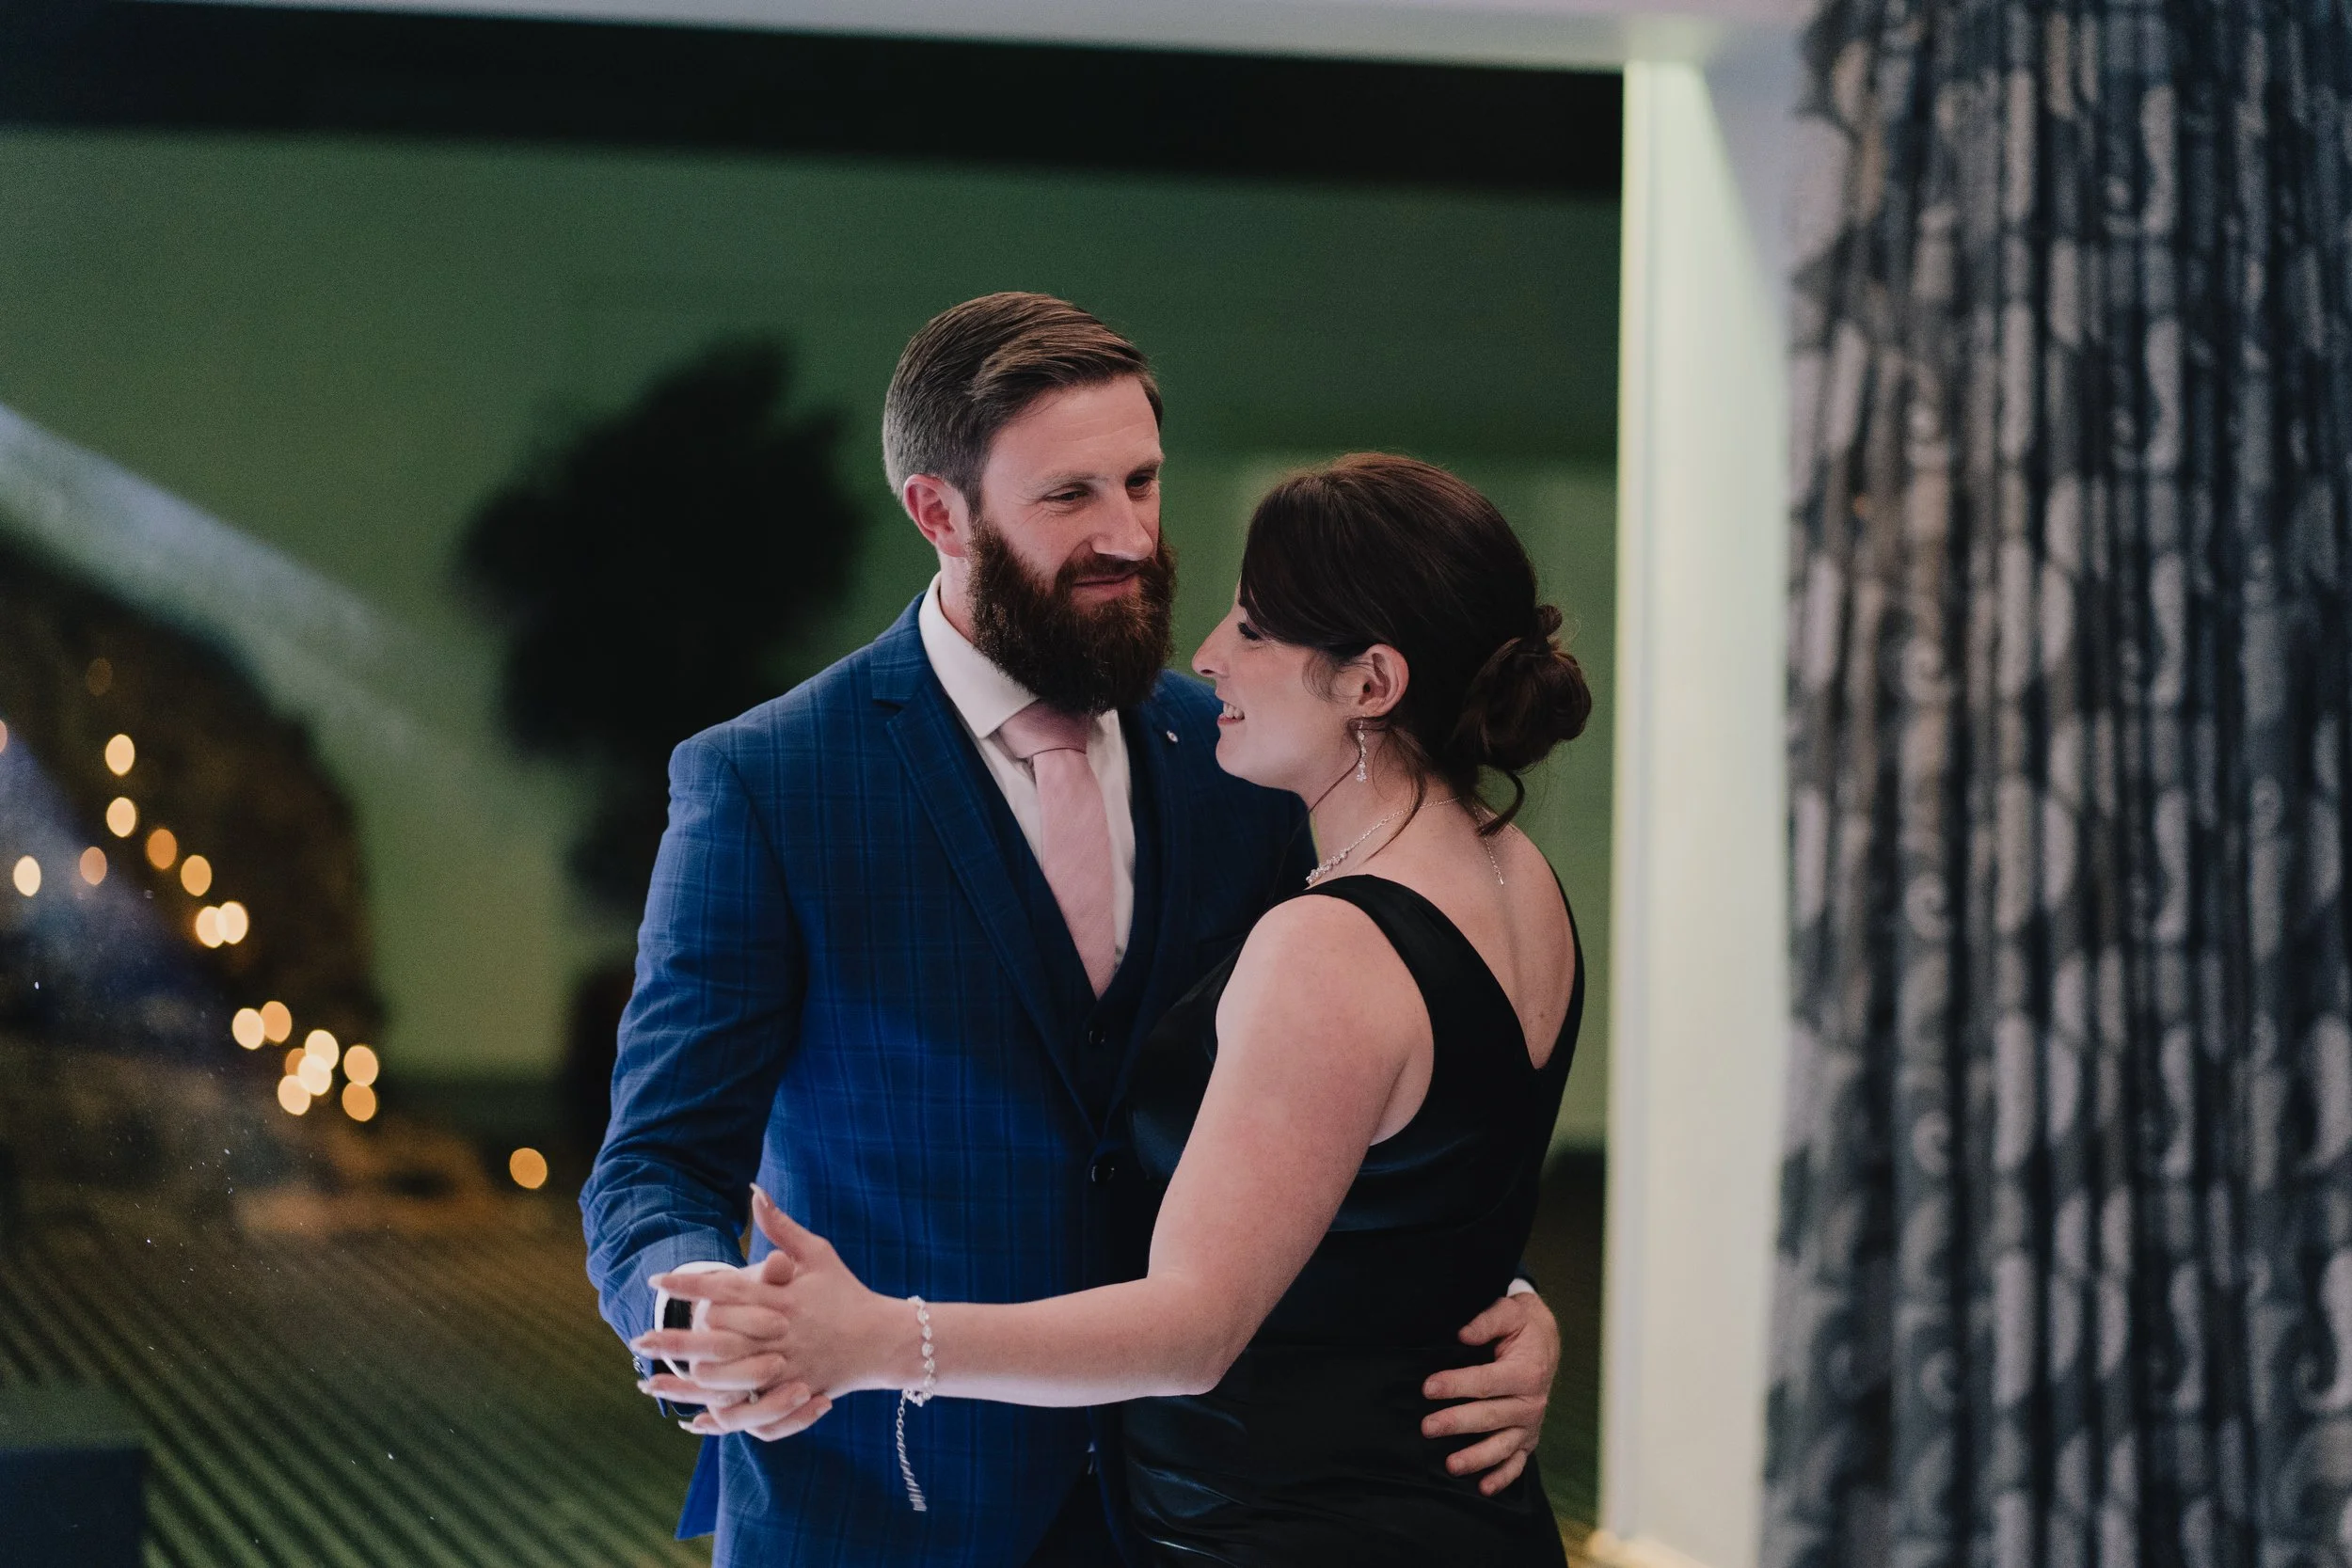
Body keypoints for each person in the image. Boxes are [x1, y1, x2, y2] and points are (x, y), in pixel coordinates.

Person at [581, 296, 1563, 1567]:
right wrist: (702, 1327)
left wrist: (1492, 1291)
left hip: (1191, 1507)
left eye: (1143, 481)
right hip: (883, 1508)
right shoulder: (768, 784)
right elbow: (656, 1160)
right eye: (1069, 498)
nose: (1129, 537)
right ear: (940, 512)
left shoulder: (1241, 764)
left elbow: (1351, 1085)